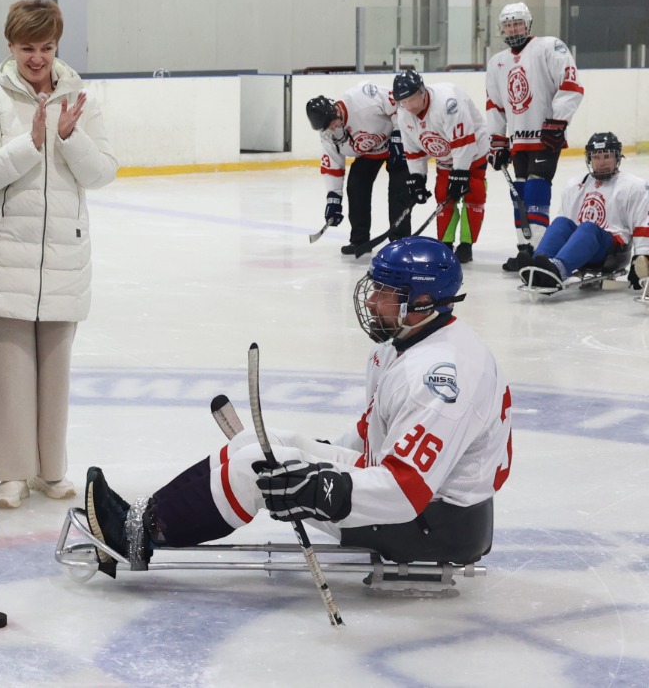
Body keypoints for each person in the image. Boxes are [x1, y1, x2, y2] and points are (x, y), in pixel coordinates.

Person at [85, 237, 513, 579]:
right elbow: (373, 434)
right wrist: (313, 455)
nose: (369, 300)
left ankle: (136, 538)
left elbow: (403, 492)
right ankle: (141, 517)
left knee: (254, 470)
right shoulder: (406, 345)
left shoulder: (440, 378)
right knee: (264, 445)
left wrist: (318, 487)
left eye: (385, 292)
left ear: (420, 304)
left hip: (434, 525)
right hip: (417, 501)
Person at [0, 0, 118, 509]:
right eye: (27, 47)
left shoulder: (79, 98)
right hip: (6, 252)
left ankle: (51, 468)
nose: (37, 57)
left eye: (46, 47)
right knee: (7, 369)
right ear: (10, 46)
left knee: (55, 367)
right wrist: (29, 145)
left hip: (63, 256)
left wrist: (69, 139)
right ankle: (9, 472)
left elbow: (102, 173)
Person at [486, 2, 584, 272]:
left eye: (517, 23)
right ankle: (524, 249)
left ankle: (542, 250)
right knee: (518, 192)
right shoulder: (497, 63)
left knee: (536, 190)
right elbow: (495, 104)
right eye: (507, 24)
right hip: (518, 141)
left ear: (528, 24)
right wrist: (497, 139)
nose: (512, 28)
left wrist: (558, 122)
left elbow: (570, 85)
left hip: (545, 136)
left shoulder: (550, 47)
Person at [519, 132, 649, 293]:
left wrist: (641, 256)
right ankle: (537, 266)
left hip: (612, 252)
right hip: (579, 247)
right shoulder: (575, 185)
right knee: (562, 222)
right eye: (596, 157)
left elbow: (643, 222)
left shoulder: (634, 186)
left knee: (588, 228)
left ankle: (557, 270)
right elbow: (565, 229)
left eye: (607, 156)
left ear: (617, 158)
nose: (602, 162)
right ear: (589, 159)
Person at [393, 70, 490, 263]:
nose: (409, 106)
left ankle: (466, 245)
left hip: (473, 150)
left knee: (473, 194)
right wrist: (417, 178)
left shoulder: (448, 103)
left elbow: (463, 142)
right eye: (403, 102)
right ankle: (445, 244)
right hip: (445, 155)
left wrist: (461, 173)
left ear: (422, 92)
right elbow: (413, 149)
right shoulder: (403, 114)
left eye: (412, 99)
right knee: (443, 195)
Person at [306, 82, 411, 256]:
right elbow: (333, 165)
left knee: (398, 190)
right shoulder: (328, 134)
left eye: (332, 123)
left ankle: (400, 241)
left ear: (336, 111)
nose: (332, 129)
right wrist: (333, 199)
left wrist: (399, 135)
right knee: (355, 187)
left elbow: (398, 105)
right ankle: (360, 240)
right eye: (327, 127)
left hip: (395, 145)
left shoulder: (363, 97)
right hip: (368, 155)